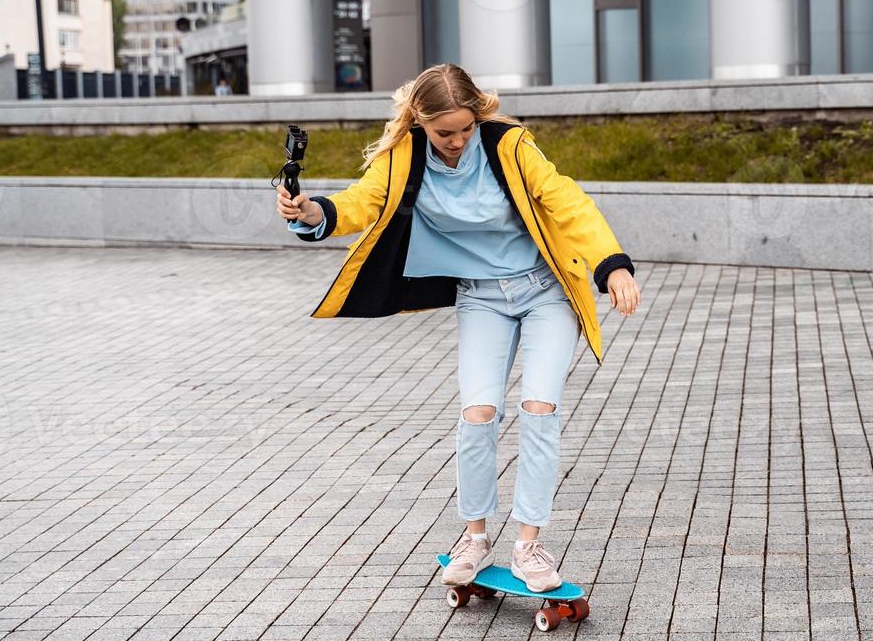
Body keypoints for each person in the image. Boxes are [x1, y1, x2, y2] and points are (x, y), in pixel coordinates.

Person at [275, 63, 641, 593]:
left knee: (539, 408)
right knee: (478, 413)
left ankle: (529, 544)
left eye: (466, 129)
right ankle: (475, 536)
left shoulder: (509, 146)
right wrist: (312, 210)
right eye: (445, 132)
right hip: (481, 297)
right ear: (420, 121)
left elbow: (566, 200)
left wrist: (612, 264)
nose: (457, 141)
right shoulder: (404, 157)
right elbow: (362, 201)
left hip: (546, 293)